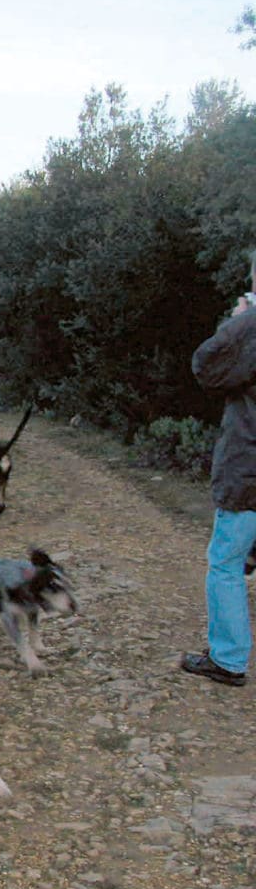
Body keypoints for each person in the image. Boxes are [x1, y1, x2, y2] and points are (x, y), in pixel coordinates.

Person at [181, 251, 256, 688]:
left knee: (225, 562)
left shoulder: (250, 325)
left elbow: (207, 366)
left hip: (249, 466)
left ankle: (228, 659)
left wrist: (237, 320)